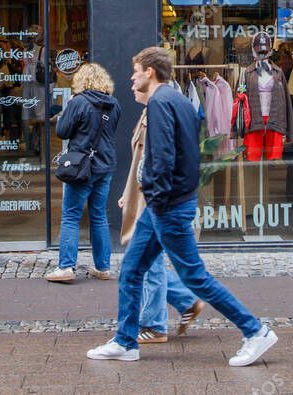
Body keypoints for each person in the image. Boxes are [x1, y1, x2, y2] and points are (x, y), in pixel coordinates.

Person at [87, 47, 278, 366]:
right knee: (132, 270)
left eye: (135, 72)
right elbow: (189, 156)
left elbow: (162, 158)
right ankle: (125, 341)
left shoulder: (161, 103)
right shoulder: (178, 100)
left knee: (195, 277)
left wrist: (158, 199)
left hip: (167, 206)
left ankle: (255, 331)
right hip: (167, 203)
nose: (132, 78)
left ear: (150, 71)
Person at [119, 88, 204, 344]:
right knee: (143, 261)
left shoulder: (157, 115)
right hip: (147, 197)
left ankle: (155, 325)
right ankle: (186, 300)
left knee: (147, 265)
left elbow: (152, 164)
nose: (131, 85)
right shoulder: (149, 114)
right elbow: (139, 162)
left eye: (136, 78)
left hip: (151, 200)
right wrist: (128, 192)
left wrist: (143, 197)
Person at [46, 63, 121, 283]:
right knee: (98, 215)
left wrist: (67, 111)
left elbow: (62, 132)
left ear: (82, 81)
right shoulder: (114, 104)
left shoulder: (78, 102)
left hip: (82, 166)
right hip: (105, 165)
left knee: (71, 215)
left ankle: (66, 267)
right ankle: (102, 267)